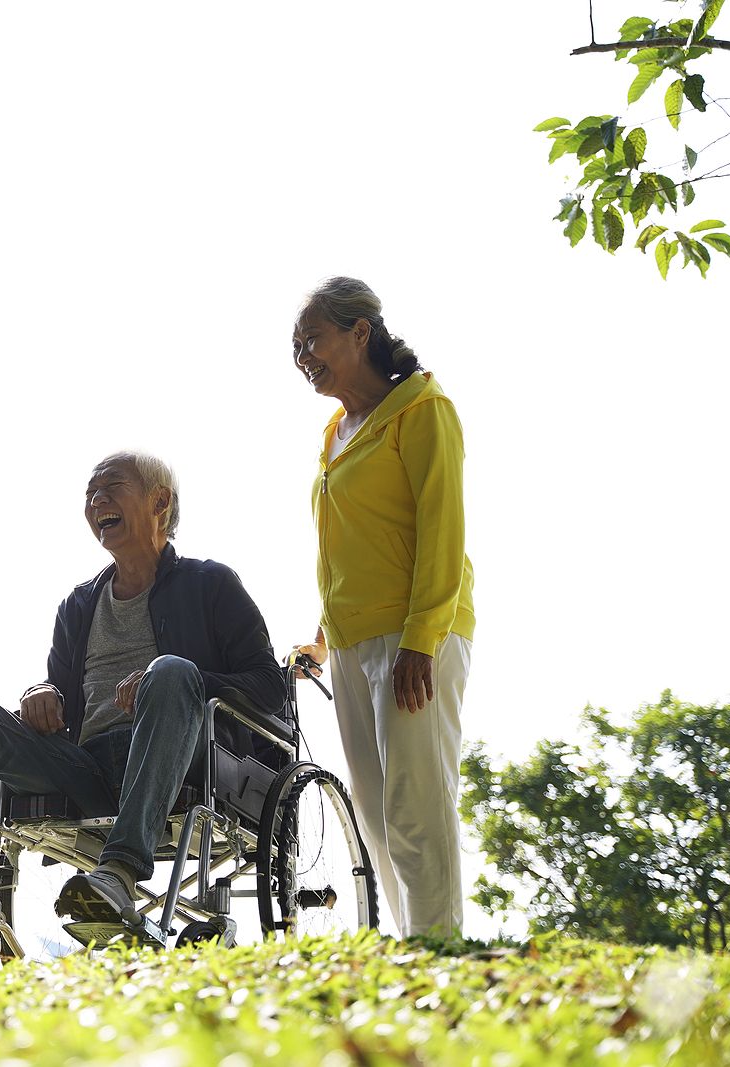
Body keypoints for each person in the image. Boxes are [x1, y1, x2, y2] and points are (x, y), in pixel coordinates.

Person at [0, 452, 285, 948]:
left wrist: (185, 681)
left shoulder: (210, 584)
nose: (97, 501)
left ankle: (118, 874)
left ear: (160, 501)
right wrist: (40, 695)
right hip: (86, 769)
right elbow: (62, 707)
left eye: (113, 487)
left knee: (173, 671)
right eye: (90, 494)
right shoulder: (77, 606)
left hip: (178, 762)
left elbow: (269, 682)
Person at [288, 276, 475, 939]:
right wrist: (320, 637)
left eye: (312, 340)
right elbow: (349, 548)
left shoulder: (422, 408)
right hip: (350, 641)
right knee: (373, 810)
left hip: (413, 634)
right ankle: (414, 943)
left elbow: (441, 529)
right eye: (295, 349)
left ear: (359, 331)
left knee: (415, 802)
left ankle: (439, 945)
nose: (303, 357)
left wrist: (423, 637)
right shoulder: (336, 432)